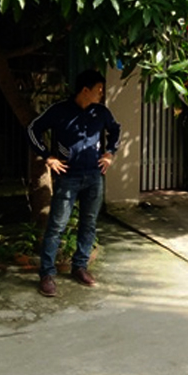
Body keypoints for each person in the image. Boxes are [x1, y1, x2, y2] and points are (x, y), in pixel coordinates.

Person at [26, 69, 121, 297]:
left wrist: (110, 153)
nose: (102, 93)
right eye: (99, 89)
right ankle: (47, 274)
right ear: (85, 90)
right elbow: (32, 130)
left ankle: (80, 267)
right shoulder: (60, 111)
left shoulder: (101, 112)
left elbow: (115, 131)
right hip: (68, 178)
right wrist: (48, 156)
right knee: (57, 226)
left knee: (89, 224)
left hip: (94, 177)